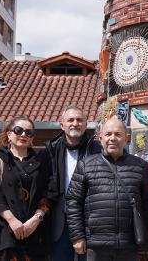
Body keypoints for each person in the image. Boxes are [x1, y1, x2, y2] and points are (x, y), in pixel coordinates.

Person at [65, 118, 148, 261]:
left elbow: (147, 204)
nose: (112, 138)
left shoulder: (140, 166)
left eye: (118, 134)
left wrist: (145, 236)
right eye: (108, 134)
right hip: (96, 245)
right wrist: (77, 236)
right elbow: (73, 202)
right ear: (100, 138)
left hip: (129, 245)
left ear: (126, 138)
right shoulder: (85, 165)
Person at [0, 116, 50, 261]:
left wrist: (36, 219)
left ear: (32, 138)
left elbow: (48, 193)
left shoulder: (40, 162)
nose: (23, 135)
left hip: (34, 233)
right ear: (9, 134)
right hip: (4, 235)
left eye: (29, 132)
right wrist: (12, 220)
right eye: (18, 130)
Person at [38, 106, 101, 261]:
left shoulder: (98, 150)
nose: (75, 123)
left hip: (89, 219)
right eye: (70, 120)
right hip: (59, 219)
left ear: (86, 125)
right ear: (62, 125)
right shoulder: (49, 150)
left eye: (79, 120)